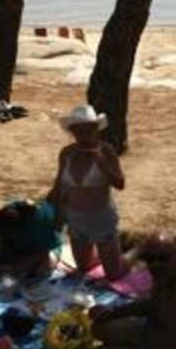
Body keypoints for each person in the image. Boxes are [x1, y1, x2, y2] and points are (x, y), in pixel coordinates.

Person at [47, 104, 127, 280]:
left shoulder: (106, 151)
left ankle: (127, 254)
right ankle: (108, 254)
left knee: (114, 274)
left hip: (101, 217)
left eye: (88, 131)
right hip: (75, 217)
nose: (83, 136)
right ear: (73, 132)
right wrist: (51, 209)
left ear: (96, 130)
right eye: (78, 131)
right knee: (83, 267)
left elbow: (120, 183)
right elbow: (59, 183)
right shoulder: (67, 153)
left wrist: (101, 162)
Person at [0, 198, 62, 284]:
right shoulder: (7, 213)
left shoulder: (41, 222)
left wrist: (21, 266)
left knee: (43, 267)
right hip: (24, 244)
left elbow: (44, 253)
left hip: (44, 246)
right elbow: (0, 240)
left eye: (11, 235)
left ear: (21, 229)